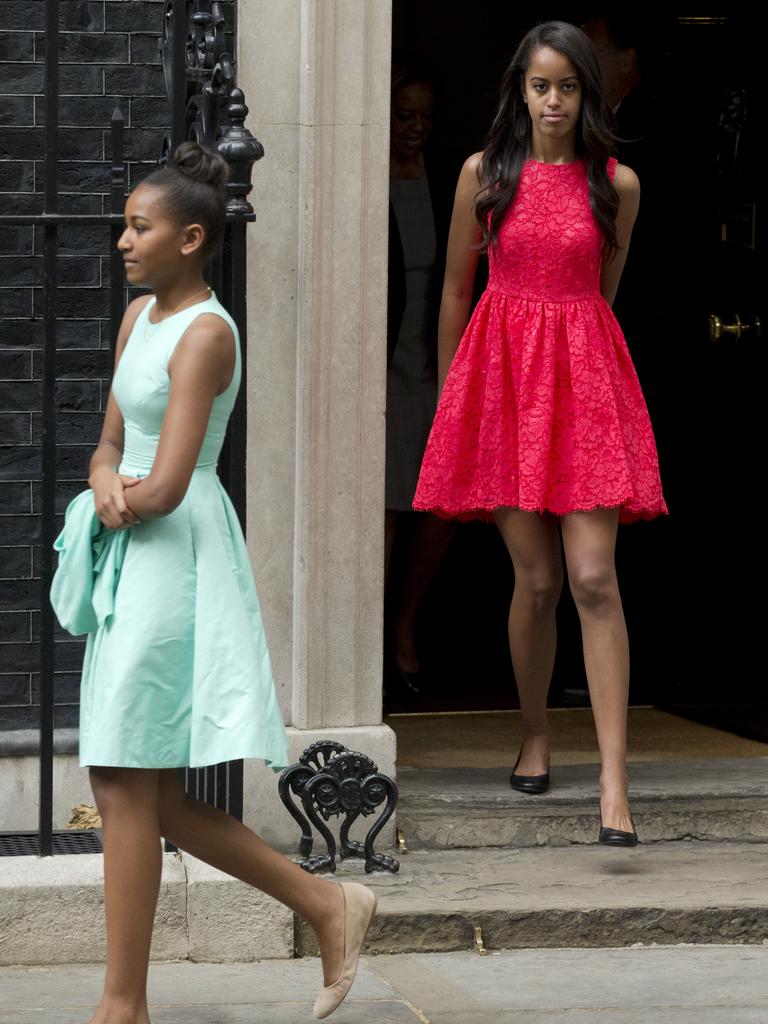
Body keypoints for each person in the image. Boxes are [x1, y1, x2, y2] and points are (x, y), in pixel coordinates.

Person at [52, 142, 376, 1024]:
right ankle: (324, 904)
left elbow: (168, 481)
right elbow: (109, 446)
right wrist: (106, 480)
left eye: (138, 226)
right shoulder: (138, 320)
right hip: (132, 556)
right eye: (126, 224)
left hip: (177, 561)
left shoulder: (207, 334)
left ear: (192, 238)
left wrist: (119, 492)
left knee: (122, 779)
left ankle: (123, 1007)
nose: (122, 240)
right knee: (146, 794)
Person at [413, 21, 667, 846]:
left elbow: (605, 291)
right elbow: (455, 292)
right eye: (540, 85)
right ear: (518, 91)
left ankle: (614, 777)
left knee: (593, 577)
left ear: (589, 93)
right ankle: (534, 731)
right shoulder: (482, 176)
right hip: (501, 387)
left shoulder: (616, 184)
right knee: (537, 582)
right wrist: (458, 404)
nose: (553, 101)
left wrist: (580, 369)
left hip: (586, 384)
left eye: (568, 86)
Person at [385, 55, 457, 700]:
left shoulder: (445, 176)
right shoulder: (365, 176)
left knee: (438, 508)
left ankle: (405, 625)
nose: (415, 128)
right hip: (380, 365)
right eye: (403, 115)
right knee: (384, 508)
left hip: (432, 361)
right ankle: (373, 641)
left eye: (424, 117)